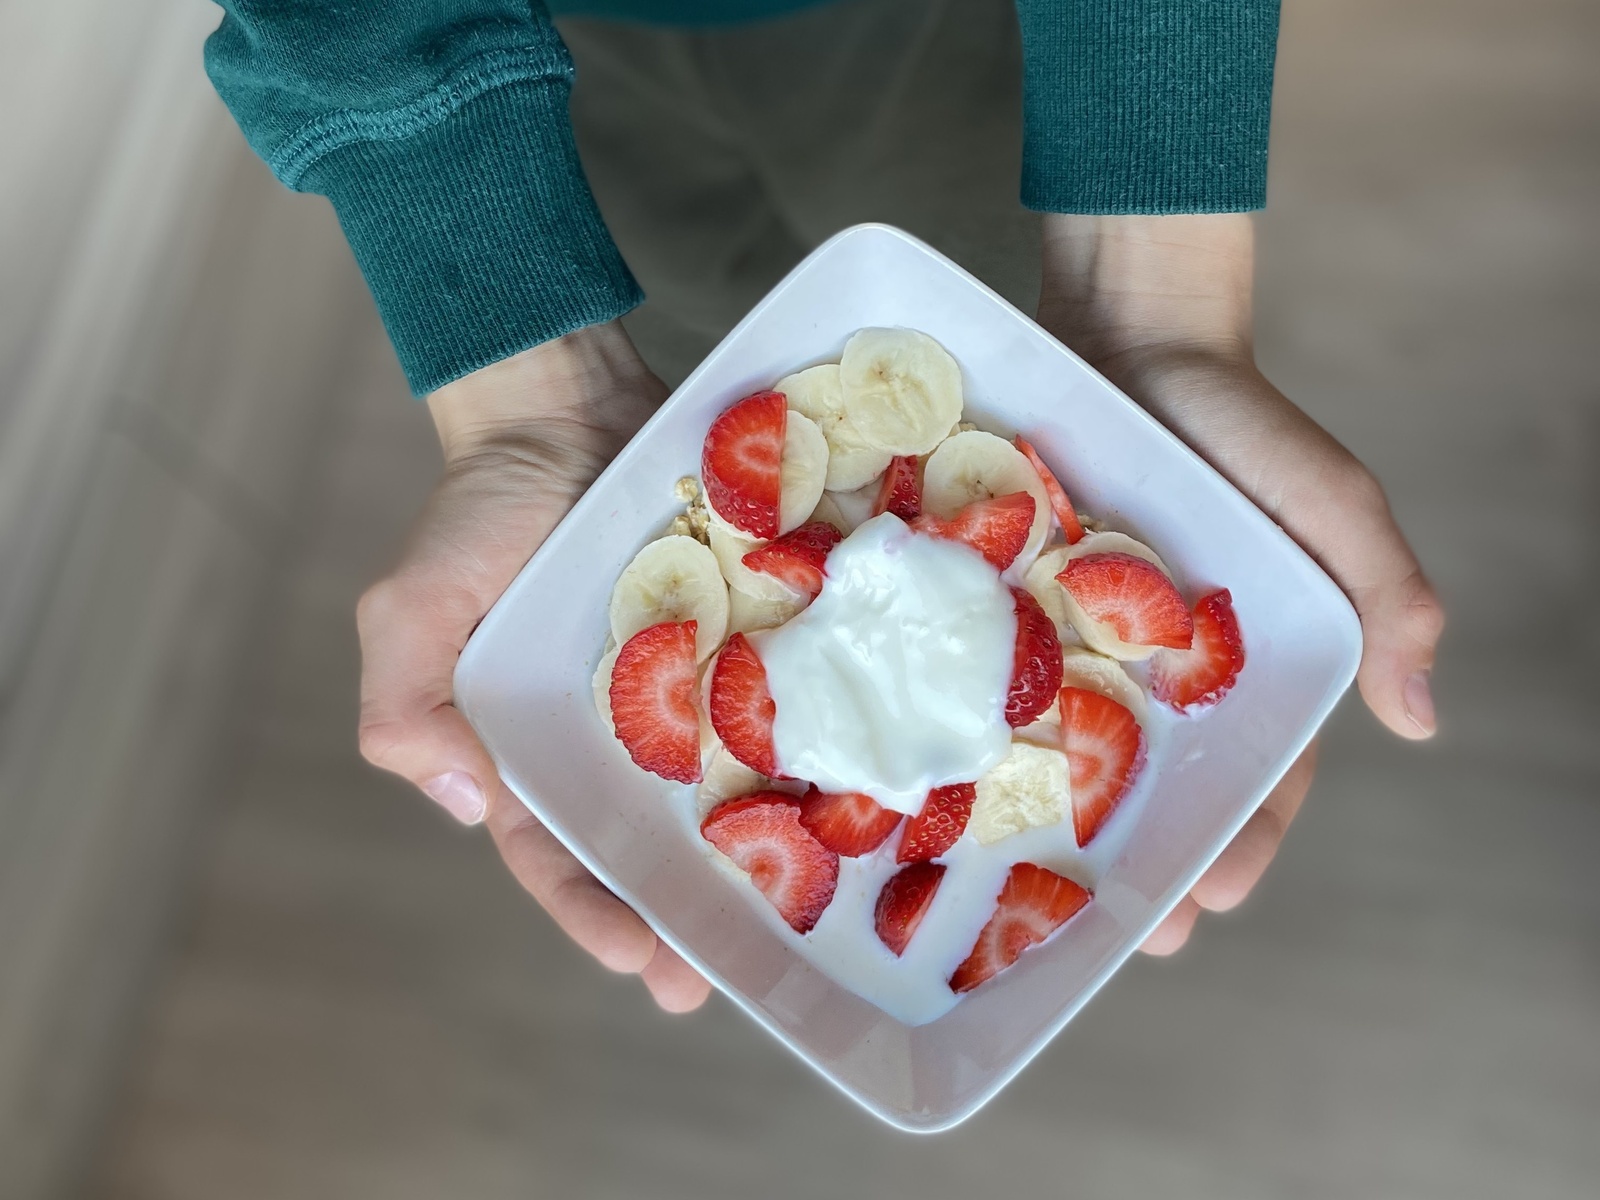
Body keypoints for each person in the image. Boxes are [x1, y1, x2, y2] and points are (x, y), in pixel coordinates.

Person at [204, 0, 1445, 1013]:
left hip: (913, 27)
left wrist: (1145, 261)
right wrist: (502, 294)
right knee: (716, 346)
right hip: (538, 38)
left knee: (973, 306)